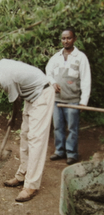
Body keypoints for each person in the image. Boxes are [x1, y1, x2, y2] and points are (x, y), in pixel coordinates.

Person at [0, 56, 55, 202]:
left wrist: (13, 118)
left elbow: (16, 101)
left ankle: (31, 185)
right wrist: (13, 118)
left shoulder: (4, 77)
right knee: (24, 135)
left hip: (42, 93)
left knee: (36, 139)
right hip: (31, 96)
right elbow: (18, 98)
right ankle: (22, 175)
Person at [46, 27, 91, 165]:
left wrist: (83, 101)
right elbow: (48, 72)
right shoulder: (56, 57)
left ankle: (72, 153)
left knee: (72, 128)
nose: (66, 41)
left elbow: (86, 79)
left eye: (69, 38)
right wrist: (53, 83)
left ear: (74, 39)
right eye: (63, 38)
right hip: (57, 100)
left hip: (72, 100)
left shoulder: (81, 57)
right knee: (58, 127)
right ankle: (60, 151)